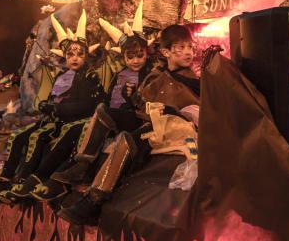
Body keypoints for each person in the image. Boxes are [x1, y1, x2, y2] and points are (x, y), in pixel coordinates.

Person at [57, 23, 202, 226]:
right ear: (166, 51)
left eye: (190, 47)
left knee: (126, 140)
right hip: (147, 117)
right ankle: (83, 164)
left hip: (171, 127)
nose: (188, 52)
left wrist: (175, 111)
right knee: (103, 111)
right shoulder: (158, 75)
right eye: (181, 47)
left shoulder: (195, 80)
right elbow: (142, 104)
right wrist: (131, 97)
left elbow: (199, 111)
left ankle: (94, 201)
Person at [0, 11, 105, 201]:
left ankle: (27, 181)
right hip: (51, 119)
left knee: (36, 137)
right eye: (70, 54)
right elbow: (54, 99)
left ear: (87, 56)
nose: (74, 58)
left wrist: (55, 109)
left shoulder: (89, 76)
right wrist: (46, 105)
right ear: (65, 57)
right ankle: (4, 179)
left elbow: (87, 104)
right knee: (17, 137)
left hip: (67, 122)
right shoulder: (61, 76)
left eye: (79, 54)